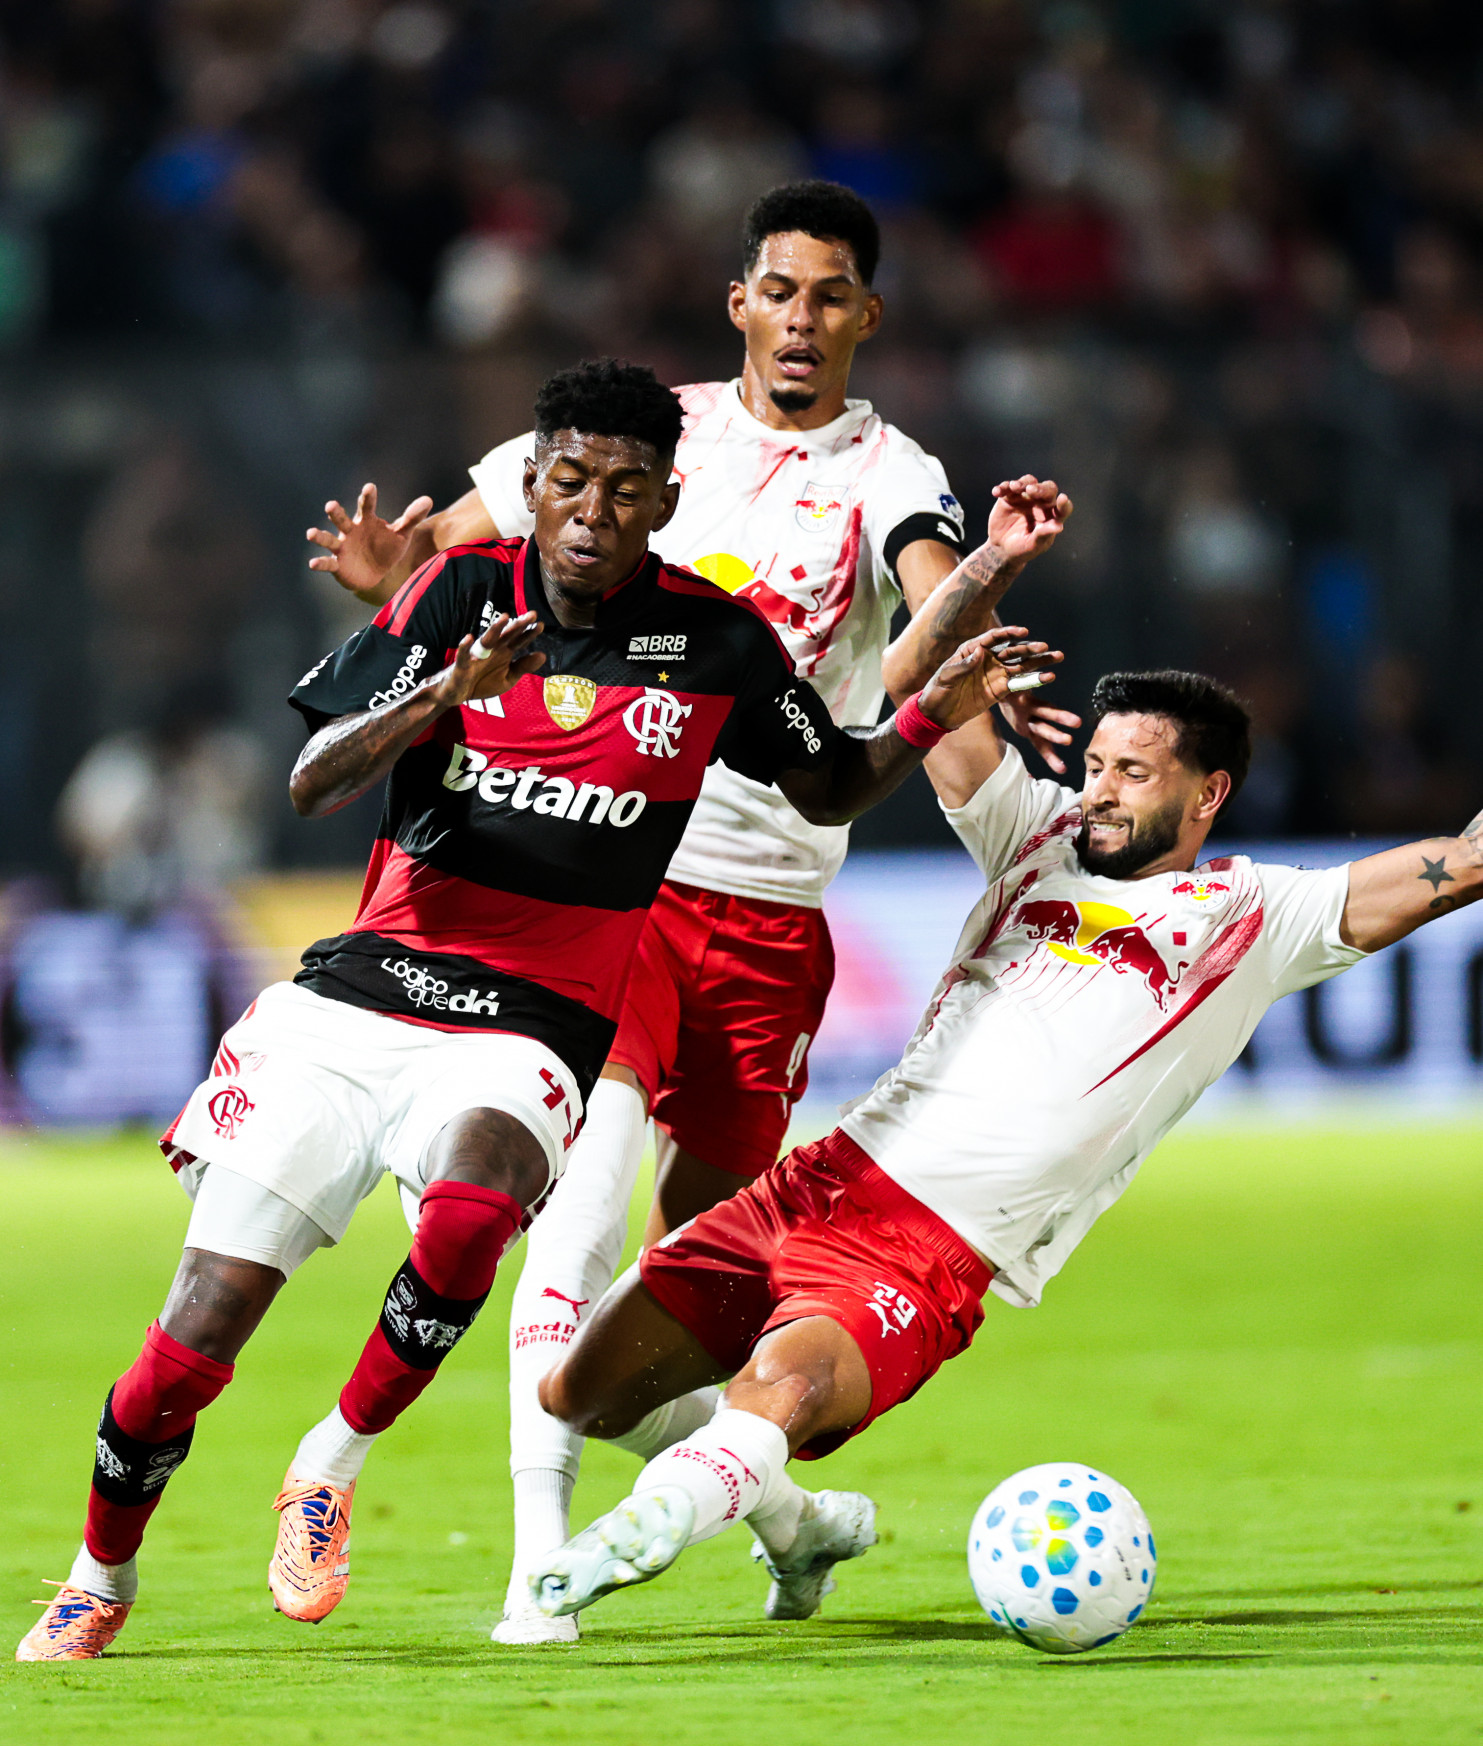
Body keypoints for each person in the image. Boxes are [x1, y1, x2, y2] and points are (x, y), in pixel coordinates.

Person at [17, 359, 1052, 1662]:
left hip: (533, 1023)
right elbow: (308, 782)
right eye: (569, 481)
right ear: (535, 482)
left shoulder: (712, 639)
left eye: (625, 489)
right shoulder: (456, 592)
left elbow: (829, 785)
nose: (591, 511)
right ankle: (98, 1574)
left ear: (663, 499)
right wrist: (442, 691)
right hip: (357, 1004)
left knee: (471, 1218)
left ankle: (331, 1463)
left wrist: (920, 713)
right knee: (198, 1331)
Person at [305, 179, 1075, 1640]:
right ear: (738, 303)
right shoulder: (642, 438)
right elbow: (461, 554)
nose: (799, 319)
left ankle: (789, 1520)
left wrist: (975, 580)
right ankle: (532, 1573)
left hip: (771, 916)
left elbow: (907, 652)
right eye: (775, 291)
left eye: (828, 295)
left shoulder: (889, 470)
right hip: (615, 885)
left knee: (686, 1293)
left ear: (865, 315)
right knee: (573, 1229)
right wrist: (390, 590)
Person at [519, 642, 1483, 1625]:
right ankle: (800, 1526)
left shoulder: (1254, 914)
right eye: (1095, 765)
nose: (1099, 793)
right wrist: (994, 568)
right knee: (580, 1395)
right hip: (817, 1183)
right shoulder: (1037, 835)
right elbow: (925, 689)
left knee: (787, 1383)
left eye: (1133, 774)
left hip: (924, 1252)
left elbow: (1462, 862)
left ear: (1207, 793)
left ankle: (641, 1530)